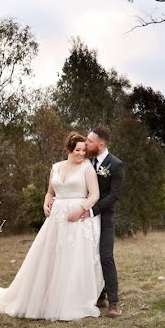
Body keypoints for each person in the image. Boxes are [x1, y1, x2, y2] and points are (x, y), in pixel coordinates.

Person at [0, 132, 104, 320]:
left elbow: (94, 195)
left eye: (83, 150)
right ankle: (43, 296)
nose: (81, 153)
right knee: (50, 258)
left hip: (77, 220)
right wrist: (46, 203)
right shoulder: (55, 167)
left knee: (70, 259)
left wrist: (80, 209)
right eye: (77, 150)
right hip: (56, 220)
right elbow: (50, 192)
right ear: (68, 149)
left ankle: (67, 301)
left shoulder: (87, 168)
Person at [67, 125, 126, 318]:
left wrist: (92, 210)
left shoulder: (116, 165)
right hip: (86, 220)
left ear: (100, 145)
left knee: (106, 257)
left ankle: (114, 302)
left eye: (90, 141)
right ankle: (98, 296)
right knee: (88, 256)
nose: (86, 142)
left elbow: (114, 196)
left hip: (104, 218)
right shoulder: (87, 163)